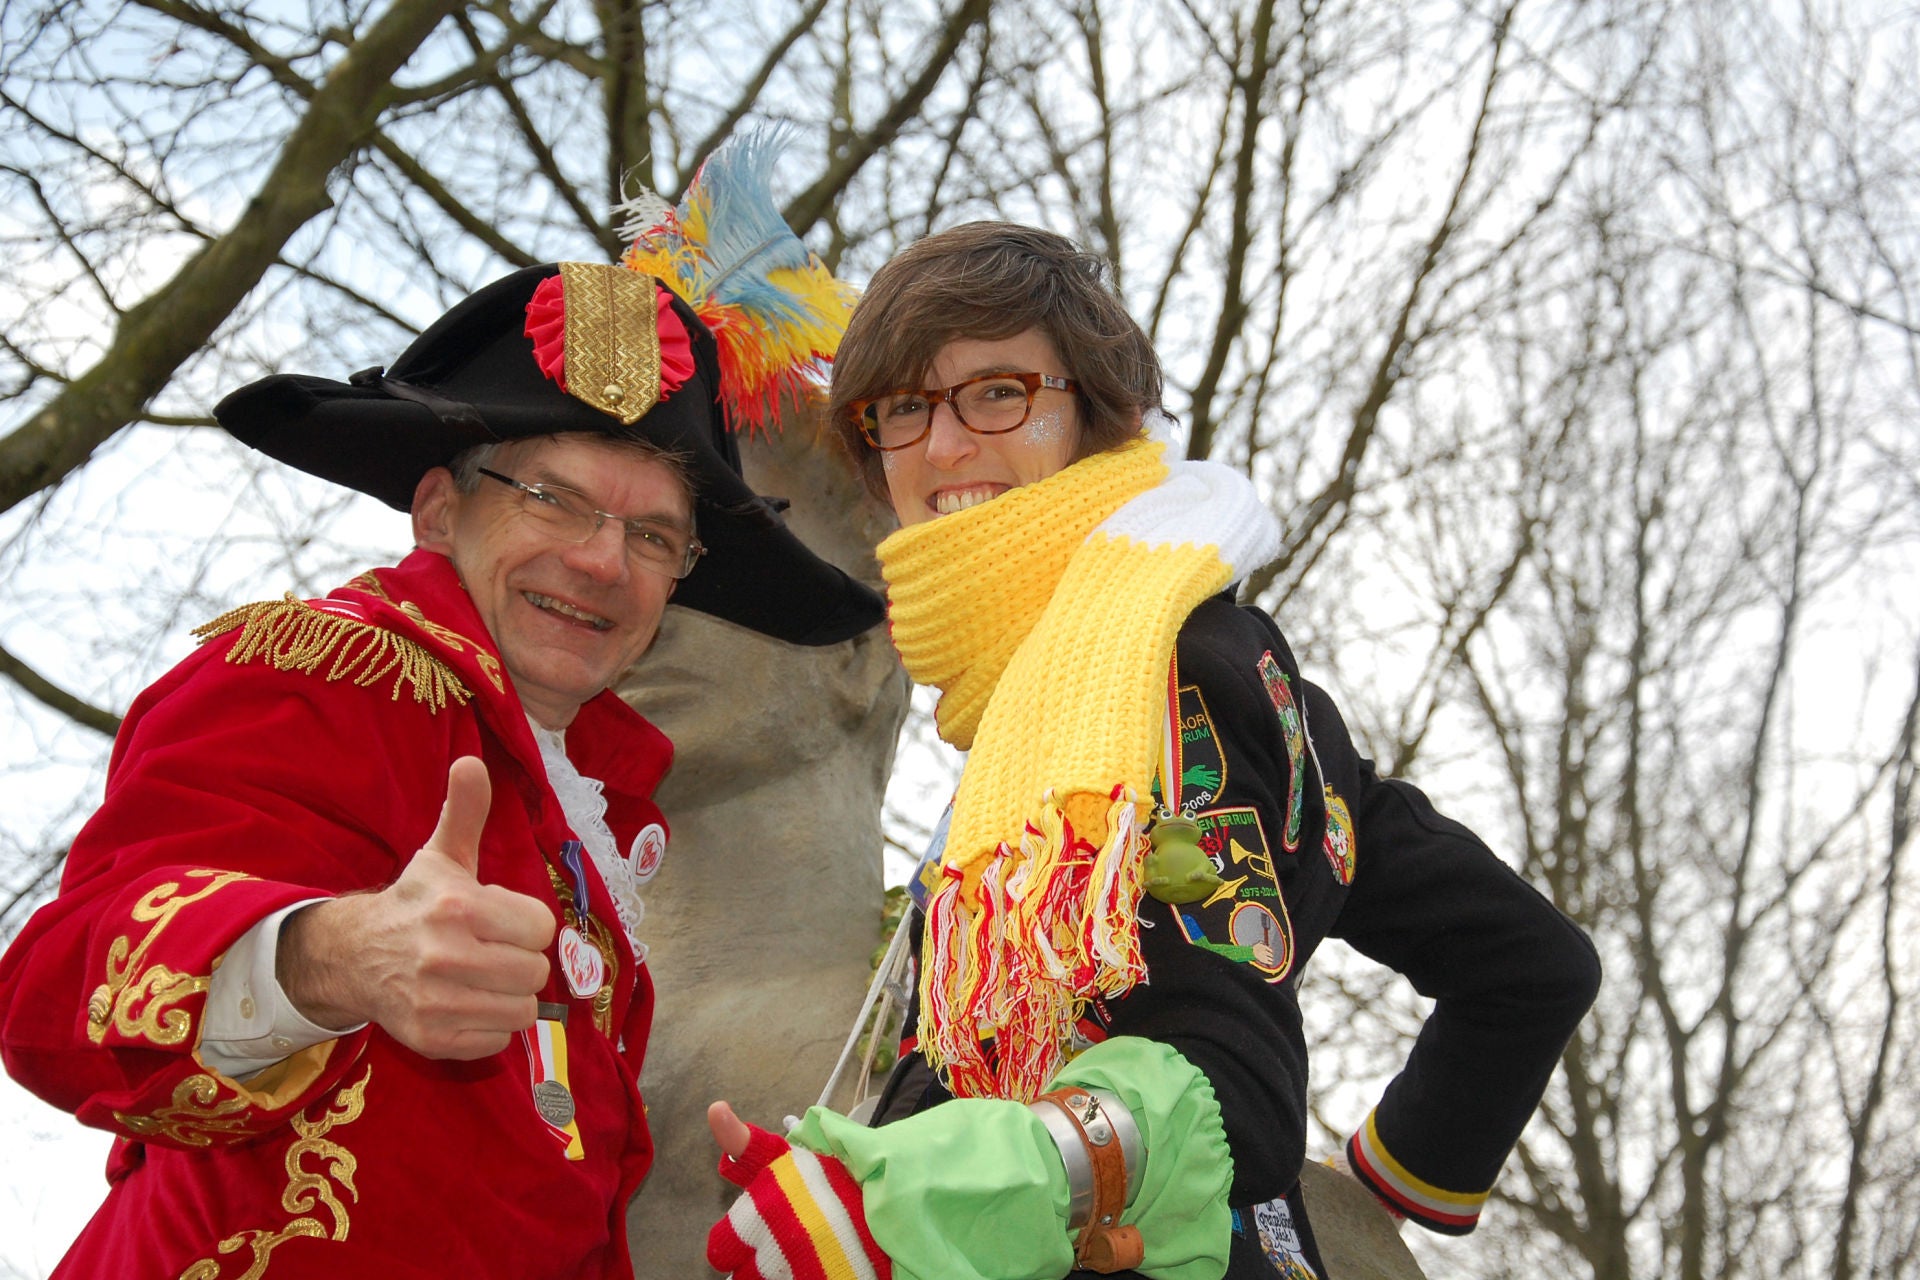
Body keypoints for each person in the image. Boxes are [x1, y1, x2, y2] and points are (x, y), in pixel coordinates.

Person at [0, 141, 882, 1279]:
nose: (602, 560)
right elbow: (55, 986)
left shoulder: (602, 816)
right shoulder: (324, 670)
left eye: (653, 534)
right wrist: (332, 956)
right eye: (552, 497)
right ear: (436, 511)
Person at [704, 222, 1602, 1280]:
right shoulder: (1132, 677)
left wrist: (925, 1192)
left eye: (996, 393)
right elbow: (1532, 962)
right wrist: (1381, 1193)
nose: (942, 446)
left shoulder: (1156, 670)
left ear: (1099, 414)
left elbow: (1227, 1081)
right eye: (903, 408)